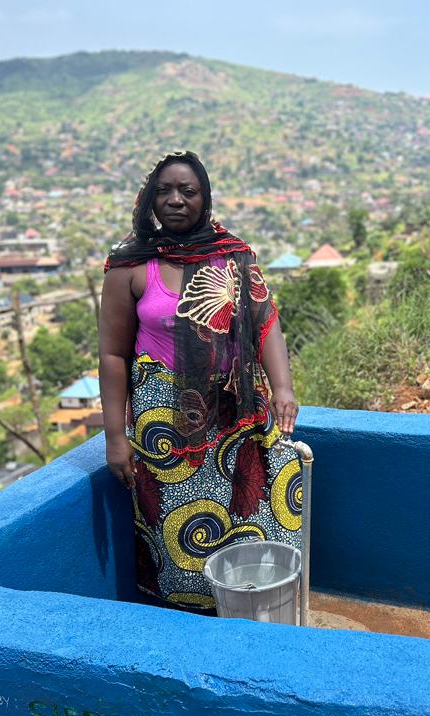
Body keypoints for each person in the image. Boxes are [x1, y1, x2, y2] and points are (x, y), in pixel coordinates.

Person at [99, 150, 303, 613]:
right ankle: (194, 629)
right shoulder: (130, 266)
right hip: (166, 425)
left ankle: (256, 613)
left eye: (187, 191)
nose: (175, 200)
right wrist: (115, 437)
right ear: (149, 198)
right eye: (164, 190)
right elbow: (112, 355)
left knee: (258, 515)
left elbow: (265, 319)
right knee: (181, 531)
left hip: (238, 415)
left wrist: (284, 388)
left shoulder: (234, 256)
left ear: (204, 197)